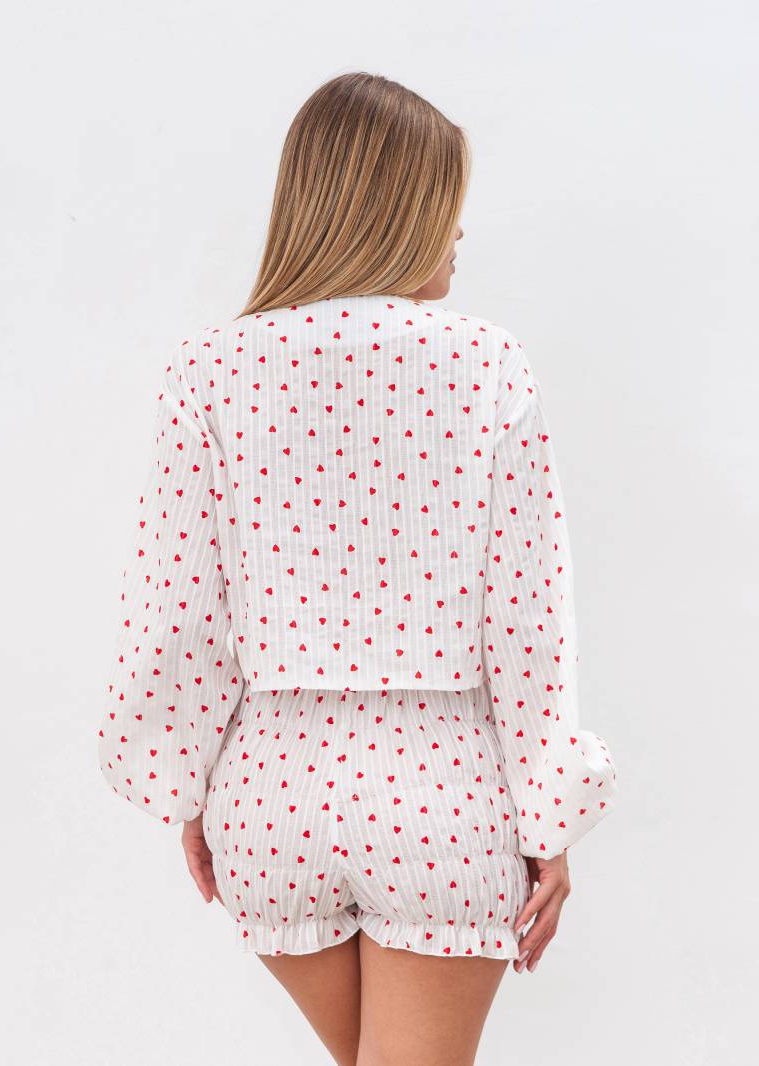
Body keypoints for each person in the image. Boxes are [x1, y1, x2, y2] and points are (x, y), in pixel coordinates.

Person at [97, 71, 618, 1066]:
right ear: (400, 210)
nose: (457, 235)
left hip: (267, 793)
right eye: (447, 207)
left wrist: (189, 789)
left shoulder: (210, 369)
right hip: (440, 789)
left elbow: (177, 612)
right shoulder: (484, 362)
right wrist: (549, 817)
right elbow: (527, 622)